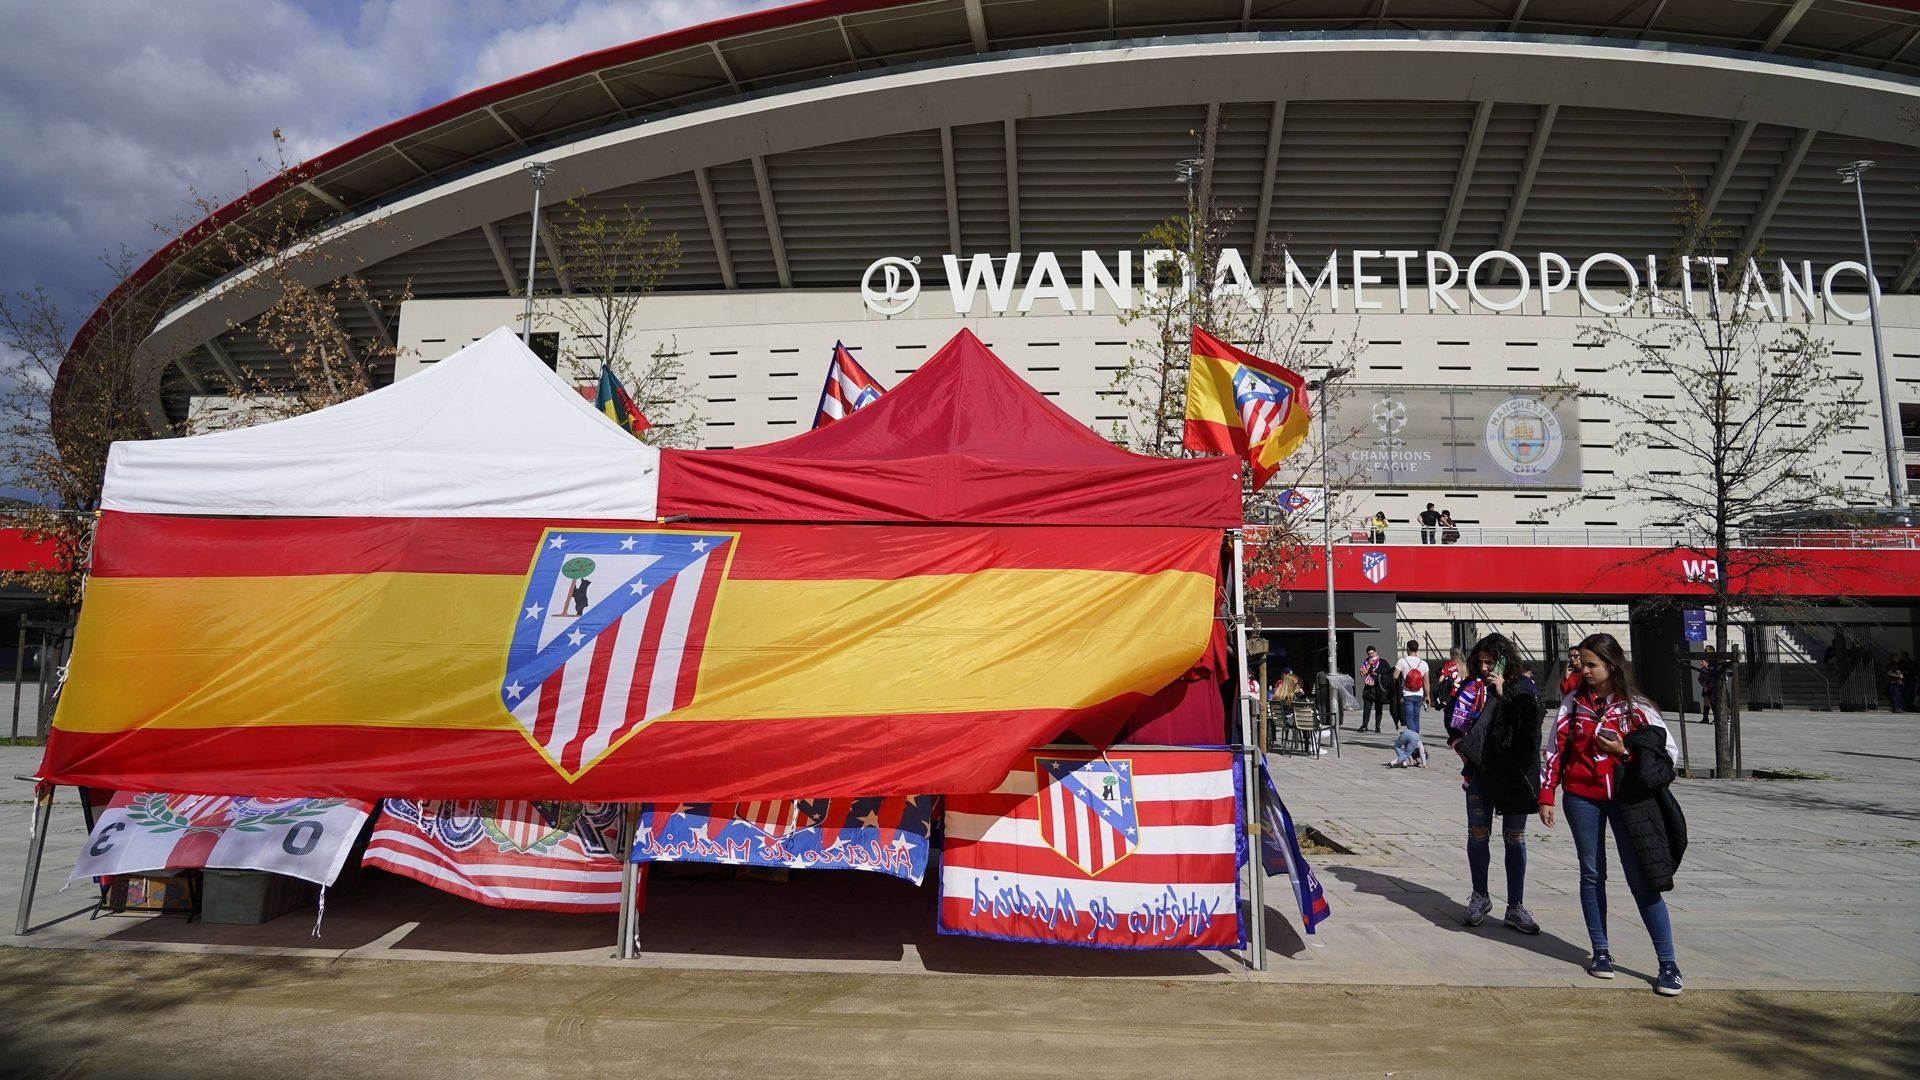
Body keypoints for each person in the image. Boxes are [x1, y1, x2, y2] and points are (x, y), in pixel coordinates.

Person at [1540, 632, 1686, 996]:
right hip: (1581, 799)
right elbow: (1554, 750)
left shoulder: (1637, 708)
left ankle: (1668, 963)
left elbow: (1668, 756)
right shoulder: (1573, 704)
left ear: (1611, 665)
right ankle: (1600, 952)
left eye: (1591, 664)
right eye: (1582, 663)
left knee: (1642, 878)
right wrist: (1547, 794)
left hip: (1628, 800)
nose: (1584, 670)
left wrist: (1624, 753)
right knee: (1591, 873)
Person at [1444, 632, 1543, 937]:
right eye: (1481, 662)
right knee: (1477, 834)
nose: (1485, 668)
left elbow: (1531, 724)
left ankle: (1515, 905)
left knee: (1515, 837)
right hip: (1481, 772)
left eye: (1491, 661)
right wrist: (1461, 744)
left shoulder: (1522, 687)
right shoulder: (1471, 687)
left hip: (1514, 774)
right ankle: (1479, 896)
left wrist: (1504, 693)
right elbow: (1452, 720)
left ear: (1504, 660)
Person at [1393, 640, 1429, 734]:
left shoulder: (1402, 661)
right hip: (1419, 693)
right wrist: (1427, 695)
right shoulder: (1423, 663)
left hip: (1407, 693)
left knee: (1409, 717)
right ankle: (1416, 739)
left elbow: (1395, 676)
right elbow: (1426, 682)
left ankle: (1415, 741)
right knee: (1416, 718)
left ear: (1407, 648)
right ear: (1417, 649)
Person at [1359, 645, 1387, 733]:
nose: (1371, 655)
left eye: (1372, 653)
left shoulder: (1383, 662)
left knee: (1379, 708)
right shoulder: (1366, 662)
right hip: (1368, 688)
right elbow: (1362, 673)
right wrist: (1369, 664)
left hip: (1378, 689)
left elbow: (1387, 673)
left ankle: (1377, 727)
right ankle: (1364, 726)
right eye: (1369, 654)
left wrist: (1378, 674)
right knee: (1367, 708)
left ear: (1376, 652)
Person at [1696, 644, 1721, 725]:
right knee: (1706, 701)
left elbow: (1714, 674)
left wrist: (1709, 686)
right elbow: (1699, 679)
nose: (1705, 652)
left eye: (1706, 651)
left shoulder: (1713, 661)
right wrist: (1705, 686)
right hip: (1707, 685)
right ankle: (1705, 718)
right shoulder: (1705, 667)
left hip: (1712, 684)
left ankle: (1716, 718)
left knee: (1713, 701)